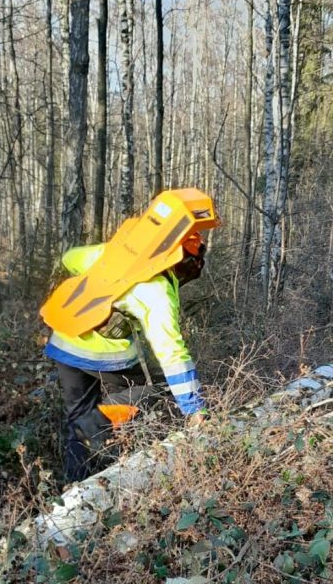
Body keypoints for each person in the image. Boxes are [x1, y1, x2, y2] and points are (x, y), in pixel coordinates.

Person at [43, 207, 213, 484]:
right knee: (155, 390)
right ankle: (101, 427)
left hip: (63, 341)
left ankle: (77, 486)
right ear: (182, 260)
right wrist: (194, 409)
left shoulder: (115, 257)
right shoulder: (158, 291)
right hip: (100, 353)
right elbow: (171, 352)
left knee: (78, 417)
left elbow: (70, 258)